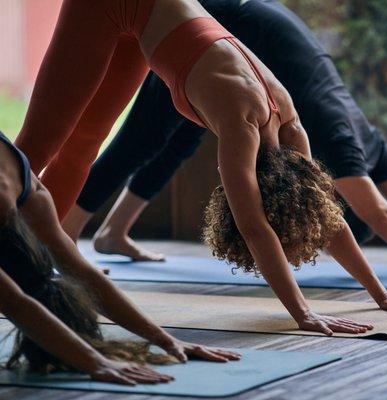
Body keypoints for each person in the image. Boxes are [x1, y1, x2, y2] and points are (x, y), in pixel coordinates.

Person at [63, 0, 387, 294]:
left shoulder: (340, 138)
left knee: (180, 133)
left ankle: (112, 233)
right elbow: (385, 216)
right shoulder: (334, 143)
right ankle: (65, 236)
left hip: (231, 27)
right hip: (204, 17)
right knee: (136, 143)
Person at [15, 0, 387, 335]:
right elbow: (255, 228)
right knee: (36, 150)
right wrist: (303, 313)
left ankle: (25, 254)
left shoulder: (291, 128)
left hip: (143, 17)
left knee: (84, 147)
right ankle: (10, 244)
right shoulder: (243, 127)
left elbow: (329, 219)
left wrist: (382, 295)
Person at [0, 130, 240, 384]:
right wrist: (96, 361)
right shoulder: (27, 188)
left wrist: (166, 340)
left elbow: (76, 276)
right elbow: (16, 302)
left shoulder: (24, 191)